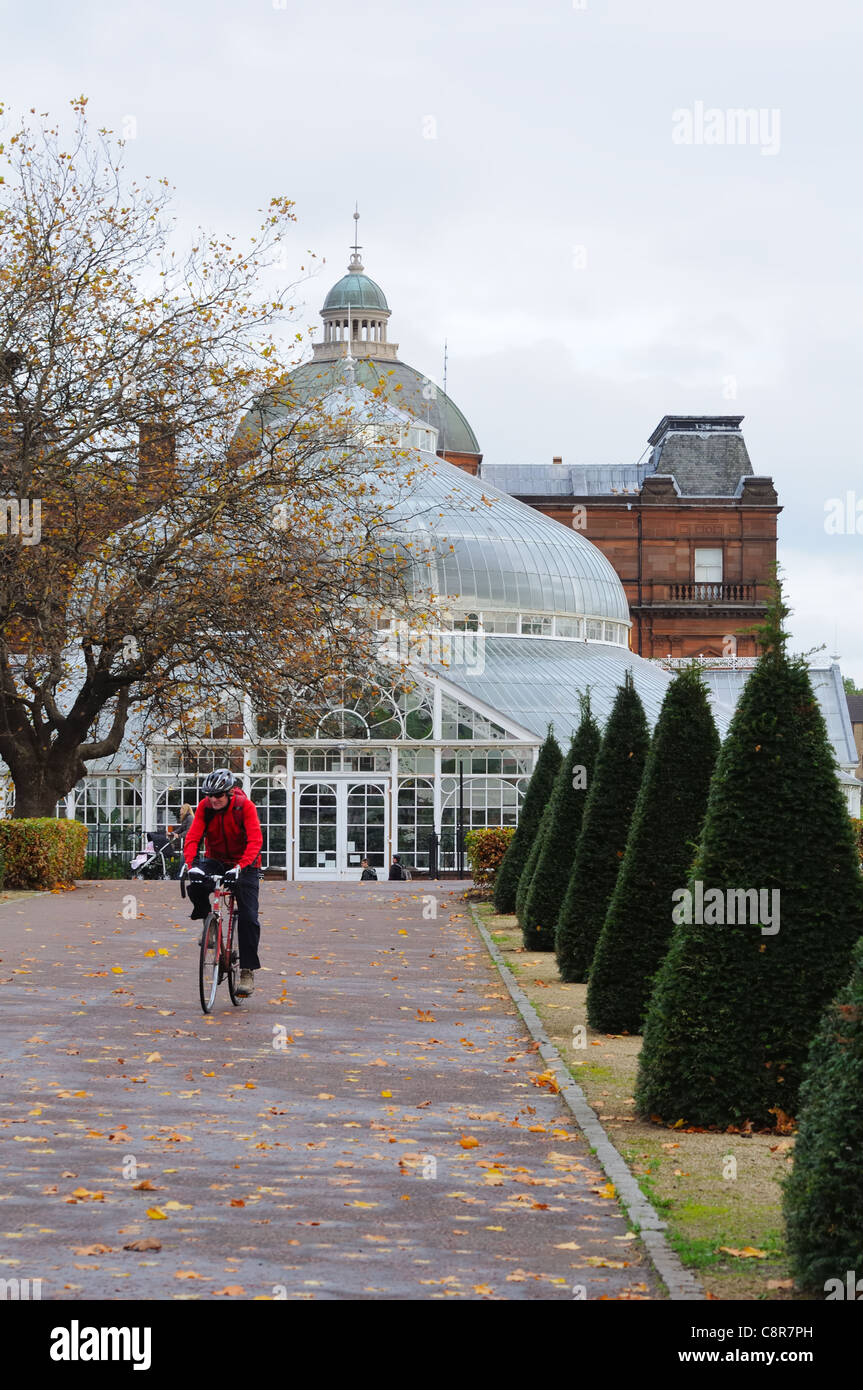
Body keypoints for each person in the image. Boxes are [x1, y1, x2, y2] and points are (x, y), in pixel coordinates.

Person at [183, 769, 263, 996]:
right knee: (196, 884)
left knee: (248, 917)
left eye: (218, 795)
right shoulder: (205, 808)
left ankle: (247, 970)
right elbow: (193, 837)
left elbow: (256, 840)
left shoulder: (245, 807)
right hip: (216, 859)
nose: (214, 799)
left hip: (246, 864)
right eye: (210, 795)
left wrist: (240, 867)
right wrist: (192, 865)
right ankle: (211, 929)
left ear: (229, 793)